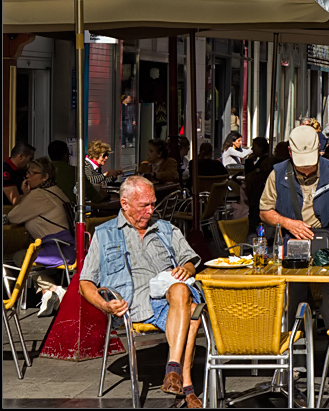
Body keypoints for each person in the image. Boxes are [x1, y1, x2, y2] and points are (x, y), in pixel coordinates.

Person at [79, 176, 203, 409]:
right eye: (143, 205)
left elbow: (190, 260)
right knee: (193, 314)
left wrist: (185, 269)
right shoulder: (104, 234)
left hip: (170, 299)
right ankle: (186, 388)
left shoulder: (166, 229)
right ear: (124, 204)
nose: (150, 210)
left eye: (153, 204)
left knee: (180, 289)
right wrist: (105, 306)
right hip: (133, 304)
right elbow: (85, 283)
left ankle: (173, 370)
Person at [259, 125, 329, 385]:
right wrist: (286, 222)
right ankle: (294, 359)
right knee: (292, 300)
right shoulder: (278, 174)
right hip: (293, 244)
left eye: (310, 163)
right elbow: (264, 211)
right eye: (301, 164)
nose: (306, 169)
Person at [8, 157, 75, 317]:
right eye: (28, 173)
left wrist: (26, 196)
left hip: (57, 249)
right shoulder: (55, 190)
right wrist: (27, 195)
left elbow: (13, 217)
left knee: (19, 257)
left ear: (45, 177)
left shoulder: (39, 194)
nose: (28, 177)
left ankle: (54, 289)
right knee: (26, 255)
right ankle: (47, 293)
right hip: (68, 247)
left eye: (33, 173)